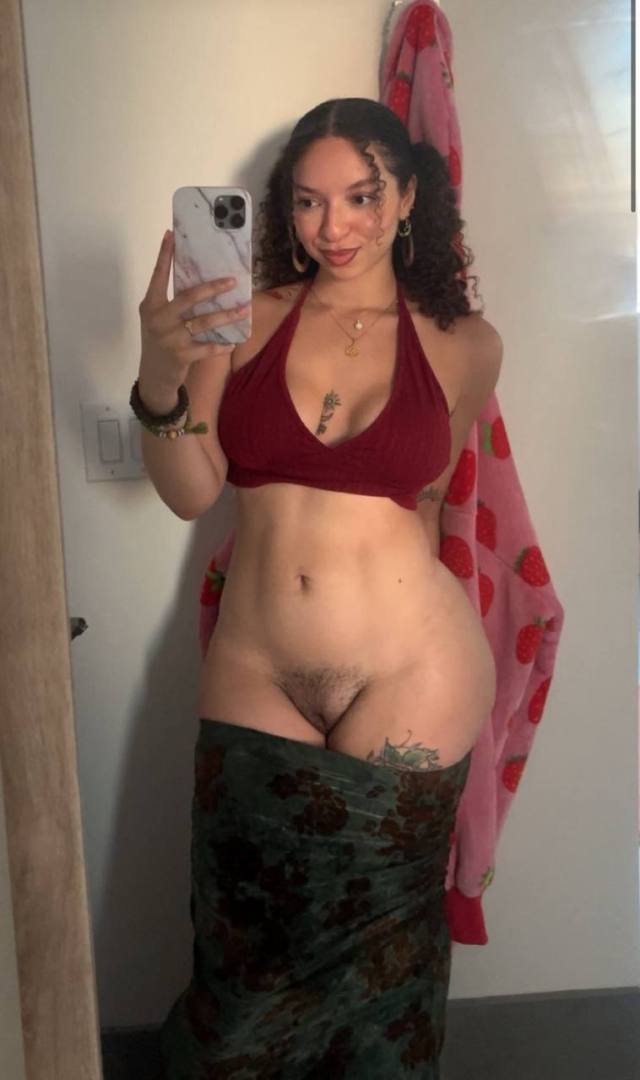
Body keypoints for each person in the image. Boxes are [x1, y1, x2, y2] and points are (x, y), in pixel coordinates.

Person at [133, 97, 502, 1078]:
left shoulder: (464, 343)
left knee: (382, 980)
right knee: (241, 969)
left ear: (408, 197)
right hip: (260, 665)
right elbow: (189, 492)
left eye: (360, 197)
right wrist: (159, 379)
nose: (332, 227)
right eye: (306, 201)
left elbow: (426, 502)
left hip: (414, 669)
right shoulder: (243, 320)